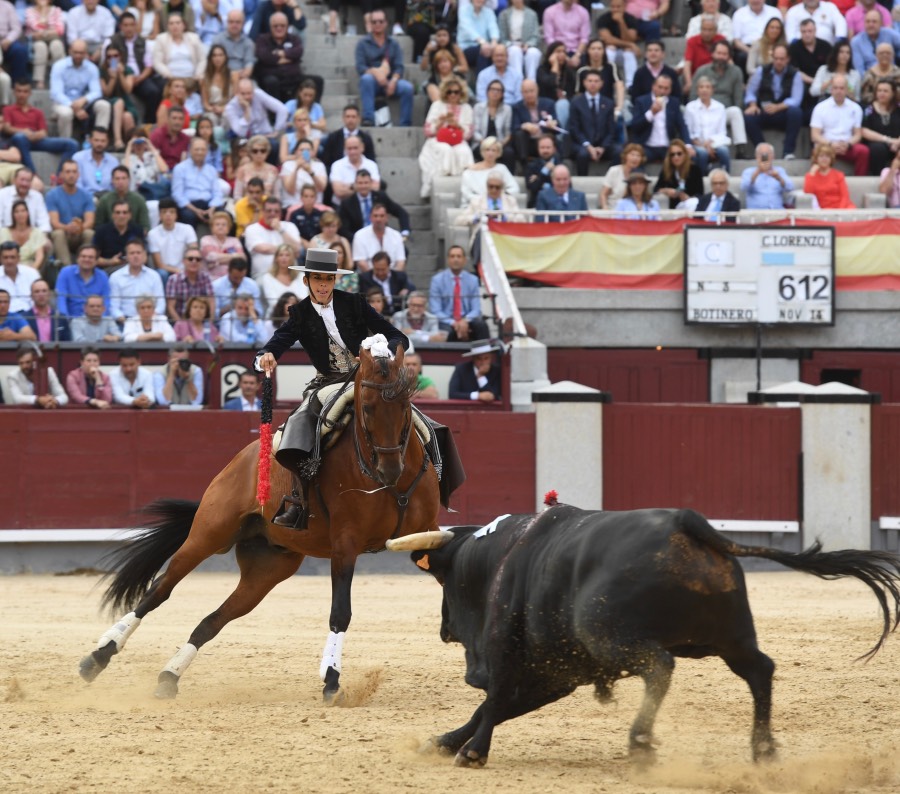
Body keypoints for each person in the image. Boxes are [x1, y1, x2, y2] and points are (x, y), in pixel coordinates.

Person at [255, 247, 409, 528]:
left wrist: (390, 351)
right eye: (317, 279)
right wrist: (267, 354)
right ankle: (299, 501)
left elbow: (396, 334)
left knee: (419, 423)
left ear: (335, 281)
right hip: (327, 383)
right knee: (299, 430)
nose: (323, 285)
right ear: (306, 281)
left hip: (367, 378)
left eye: (328, 279)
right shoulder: (300, 313)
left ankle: (437, 475)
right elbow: (280, 339)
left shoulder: (355, 304)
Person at [2, 80, 79, 174]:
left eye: (25, 91)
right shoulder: (8, 110)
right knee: (20, 137)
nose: (22, 94)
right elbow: (6, 128)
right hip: (17, 142)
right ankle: (32, 174)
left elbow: (43, 132)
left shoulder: (37, 112)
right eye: (19, 91)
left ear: (30, 93)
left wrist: (34, 135)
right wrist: (24, 132)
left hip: (36, 140)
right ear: (14, 92)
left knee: (72, 144)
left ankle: (60, 177)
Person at [743, 45, 804, 160]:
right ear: (772, 58)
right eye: (776, 58)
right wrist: (753, 105)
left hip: (783, 112)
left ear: (787, 59)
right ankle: (763, 151)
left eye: (781, 59)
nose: (778, 62)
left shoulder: (795, 74)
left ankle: (788, 152)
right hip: (764, 110)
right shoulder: (761, 70)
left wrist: (779, 107)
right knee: (748, 117)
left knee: (796, 113)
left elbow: (796, 99)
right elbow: (750, 91)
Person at [355, 9, 414, 127]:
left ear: (386, 23)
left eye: (380, 21)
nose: (378, 24)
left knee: (408, 88)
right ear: (370, 24)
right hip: (372, 81)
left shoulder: (393, 43)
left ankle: (405, 123)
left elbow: (399, 67)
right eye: (374, 22)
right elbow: (361, 67)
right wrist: (376, 74)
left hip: (390, 81)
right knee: (366, 79)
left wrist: (393, 81)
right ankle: (368, 118)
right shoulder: (362, 43)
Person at [690, 42, 749, 158]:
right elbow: (692, 96)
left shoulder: (736, 71)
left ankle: (740, 149)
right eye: (718, 53)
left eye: (724, 54)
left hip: (723, 113)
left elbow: (738, 99)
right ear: (712, 54)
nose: (721, 57)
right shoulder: (702, 71)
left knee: (736, 111)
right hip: (702, 111)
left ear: (729, 56)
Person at [419, 77, 475, 199]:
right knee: (445, 150)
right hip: (438, 139)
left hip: (458, 140)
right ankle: (439, 186)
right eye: (450, 92)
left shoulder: (467, 108)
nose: (453, 95)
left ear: (461, 93)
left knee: (463, 151)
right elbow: (428, 131)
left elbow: (468, 134)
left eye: (456, 92)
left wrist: (457, 125)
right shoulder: (437, 105)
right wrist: (441, 122)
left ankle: (464, 189)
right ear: (445, 92)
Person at [50, 40, 112, 139]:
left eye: (81, 53)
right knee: (66, 113)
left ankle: (99, 139)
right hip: (63, 103)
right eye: (75, 52)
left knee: (104, 105)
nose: (78, 56)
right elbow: (56, 93)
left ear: (86, 53)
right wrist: (74, 107)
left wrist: (84, 100)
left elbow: (97, 92)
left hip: (83, 103)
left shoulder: (92, 68)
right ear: (70, 51)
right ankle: (66, 143)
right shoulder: (59, 66)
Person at [428, 245, 490, 342]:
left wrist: (464, 321)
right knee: (447, 333)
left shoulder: (473, 280)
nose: (455, 259)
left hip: (467, 319)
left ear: (464, 260)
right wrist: (454, 323)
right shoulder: (437, 280)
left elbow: (476, 309)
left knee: (481, 325)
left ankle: (484, 355)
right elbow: (436, 310)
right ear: (448, 260)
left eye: (459, 256)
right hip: (446, 320)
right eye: (452, 256)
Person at [108, 11, 164, 118]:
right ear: (120, 26)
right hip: (120, 76)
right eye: (125, 25)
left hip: (139, 78)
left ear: (136, 26)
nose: (129, 28)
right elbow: (111, 60)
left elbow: (148, 66)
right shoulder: (113, 41)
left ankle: (149, 121)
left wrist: (139, 78)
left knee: (153, 91)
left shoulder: (143, 42)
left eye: (132, 25)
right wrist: (119, 74)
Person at [810, 75, 869, 176]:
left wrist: (848, 144)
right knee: (818, 150)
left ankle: (859, 179)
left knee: (863, 151)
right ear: (831, 89)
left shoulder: (855, 108)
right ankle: (818, 181)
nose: (838, 91)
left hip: (847, 145)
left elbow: (858, 134)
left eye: (842, 88)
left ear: (847, 90)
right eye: (835, 88)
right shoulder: (820, 107)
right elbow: (815, 135)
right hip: (827, 144)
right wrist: (831, 144)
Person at [630, 74, 693, 163]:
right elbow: (635, 126)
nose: (662, 91)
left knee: (688, 158)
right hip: (647, 146)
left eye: (666, 88)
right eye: (660, 87)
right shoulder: (641, 101)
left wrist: (688, 145)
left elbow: (682, 125)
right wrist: (651, 113)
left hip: (668, 147)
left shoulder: (673, 102)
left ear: (670, 90)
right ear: (653, 86)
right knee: (636, 160)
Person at [567, 70, 618, 177]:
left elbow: (611, 130)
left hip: (603, 144)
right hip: (583, 144)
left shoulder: (608, 103)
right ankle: (582, 180)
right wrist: (588, 146)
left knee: (619, 151)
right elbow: (574, 128)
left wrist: (603, 147)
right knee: (583, 154)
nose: (593, 84)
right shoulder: (576, 102)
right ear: (584, 82)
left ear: (601, 83)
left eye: (596, 81)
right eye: (590, 81)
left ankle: (610, 179)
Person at [46, 160, 95, 267]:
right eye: (68, 172)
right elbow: (54, 223)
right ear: (61, 175)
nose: (71, 175)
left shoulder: (86, 195)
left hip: (79, 233)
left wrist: (79, 228)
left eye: (74, 172)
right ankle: (66, 268)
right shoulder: (52, 195)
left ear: (78, 174)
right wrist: (68, 228)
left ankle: (86, 266)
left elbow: (90, 221)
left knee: (89, 233)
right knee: (58, 233)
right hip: (63, 234)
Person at [337, 170, 410, 242]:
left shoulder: (381, 197)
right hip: (358, 240)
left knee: (404, 251)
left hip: (382, 238)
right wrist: (358, 239)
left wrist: (404, 232)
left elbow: (401, 212)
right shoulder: (347, 203)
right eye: (360, 183)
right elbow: (343, 229)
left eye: (366, 183)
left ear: (371, 183)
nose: (363, 186)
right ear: (355, 184)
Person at [253, 12, 307, 103]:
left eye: (282, 25)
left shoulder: (294, 39)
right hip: (270, 77)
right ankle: (274, 115)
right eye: (275, 26)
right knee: (272, 82)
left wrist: (278, 53)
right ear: (270, 26)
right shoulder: (262, 39)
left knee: (317, 81)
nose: (279, 28)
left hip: (293, 77)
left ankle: (308, 113)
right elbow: (264, 56)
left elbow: (298, 52)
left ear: (287, 26)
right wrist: (289, 58)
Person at [172, 137, 225, 226]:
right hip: (189, 205)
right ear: (190, 150)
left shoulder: (211, 170)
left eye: (203, 150)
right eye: (196, 149)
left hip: (209, 204)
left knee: (225, 216)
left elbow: (217, 193)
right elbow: (177, 194)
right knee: (188, 216)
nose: (200, 152)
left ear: (207, 152)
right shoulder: (180, 168)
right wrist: (195, 210)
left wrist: (211, 209)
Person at [109, 238, 165, 322]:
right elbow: (113, 306)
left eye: (138, 253)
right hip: (125, 321)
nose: (135, 256)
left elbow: (161, 304)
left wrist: (150, 318)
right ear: (126, 256)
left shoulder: (154, 276)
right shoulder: (115, 277)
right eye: (132, 253)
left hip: (151, 321)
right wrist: (125, 321)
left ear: (144, 255)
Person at [244, 197, 302, 279]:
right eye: (269, 211)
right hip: (263, 275)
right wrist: (289, 250)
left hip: (290, 275)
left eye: (276, 211)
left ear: (281, 213)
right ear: (263, 212)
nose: (272, 214)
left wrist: (280, 230)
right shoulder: (252, 229)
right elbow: (264, 249)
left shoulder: (290, 226)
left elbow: (297, 248)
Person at [685, 77, 731, 175]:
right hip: (697, 143)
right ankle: (702, 177)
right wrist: (701, 145)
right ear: (697, 90)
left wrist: (710, 142)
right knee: (702, 153)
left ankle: (726, 176)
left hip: (714, 142)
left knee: (724, 151)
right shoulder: (690, 107)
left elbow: (722, 132)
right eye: (701, 87)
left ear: (712, 90)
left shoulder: (720, 107)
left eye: (707, 87)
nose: (704, 90)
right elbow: (688, 131)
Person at [147, 197, 198, 281]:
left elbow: (194, 254)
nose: (168, 215)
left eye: (171, 212)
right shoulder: (153, 234)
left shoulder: (187, 229)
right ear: (160, 215)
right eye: (164, 212)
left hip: (186, 268)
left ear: (176, 214)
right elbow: (158, 264)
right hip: (165, 270)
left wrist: (185, 270)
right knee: (161, 273)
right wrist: (178, 271)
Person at [223, 79, 288, 144]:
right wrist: (247, 110)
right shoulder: (231, 107)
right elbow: (240, 132)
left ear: (253, 91)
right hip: (245, 139)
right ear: (237, 93)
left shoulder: (259, 94)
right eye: (243, 94)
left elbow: (282, 109)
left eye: (249, 93)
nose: (246, 97)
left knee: (275, 145)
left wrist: (277, 131)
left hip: (265, 135)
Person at [596, 0, 642, 91]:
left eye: (618, 6)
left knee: (628, 51)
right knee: (610, 48)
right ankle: (607, 81)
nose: (615, 9)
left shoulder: (631, 19)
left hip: (624, 55)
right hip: (608, 55)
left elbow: (630, 38)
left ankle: (630, 85)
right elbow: (608, 40)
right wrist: (630, 44)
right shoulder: (603, 19)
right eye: (613, 6)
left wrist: (621, 22)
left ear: (624, 6)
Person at [460, 137, 519, 207]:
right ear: (482, 151)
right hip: (475, 205)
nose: (490, 153)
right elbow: (466, 193)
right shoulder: (469, 172)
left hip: (498, 204)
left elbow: (514, 188)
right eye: (487, 150)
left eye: (493, 150)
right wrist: (484, 200)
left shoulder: (502, 168)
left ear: (498, 153)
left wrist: (500, 196)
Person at [55, 244, 110, 318]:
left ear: (96, 261)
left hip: (97, 321)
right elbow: (61, 299)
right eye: (83, 256)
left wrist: (101, 320)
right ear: (77, 259)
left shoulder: (103, 276)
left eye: (90, 257)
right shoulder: (65, 273)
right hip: (71, 319)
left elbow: (106, 302)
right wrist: (65, 320)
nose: (86, 259)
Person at [0, 198, 49, 277]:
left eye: (23, 211)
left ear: (28, 213)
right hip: (6, 270)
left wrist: (30, 272)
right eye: (17, 211)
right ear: (12, 215)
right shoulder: (3, 232)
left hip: (30, 270)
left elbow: (39, 256)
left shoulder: (37, 232)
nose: (20, 214)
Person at [318, 105, 377, 171]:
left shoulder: (366, 138)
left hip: (361, 175)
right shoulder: (333, 137)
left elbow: (371, 160)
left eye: (353, 117)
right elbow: (326, 161)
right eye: (348, 116)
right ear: (343, 118)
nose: (350, 119)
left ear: (359, 119)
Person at [351, 204, 407, 273]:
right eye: (375, 216)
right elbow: (361, 262)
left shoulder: (396, 235)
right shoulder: (359, 235)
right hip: (366, 277)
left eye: (382, 216)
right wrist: (374, 279)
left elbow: (401, 261)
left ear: (387, 217)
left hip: (392, 278)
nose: (378, 219)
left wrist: (394, 279)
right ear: (370, 217)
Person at [165, 243, 214, 321]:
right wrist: (182, 326)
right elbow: (171, 307)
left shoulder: (206, 278)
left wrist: (209, 323)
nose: (194, 261)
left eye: (198, 259)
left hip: (201, 323)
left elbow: (211, 302)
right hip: (180, 321)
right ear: (183, 261)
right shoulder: (173, 280)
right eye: (190, 259)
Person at [731, 0, 781, 74]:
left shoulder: (774, 12)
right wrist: (751, 52)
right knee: (741, 57)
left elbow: (780, 33)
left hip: (771, 46)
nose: (756, 1)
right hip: (747, 48)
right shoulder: (739, 13)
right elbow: (736, 41)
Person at [741, 142, 796, 209]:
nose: (765, 157)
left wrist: (779, 178)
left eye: (767, 154)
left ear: (773, 157)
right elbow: (744, 187)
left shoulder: (780, 171)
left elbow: (790, 188)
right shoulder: (748, 172)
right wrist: (757, 172)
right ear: (756, 156)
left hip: (777, 212)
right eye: (761, 154)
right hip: (756, 214)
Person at [862, 79, 900, 177]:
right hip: (878, 143)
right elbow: (865, 131)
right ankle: (878, 177)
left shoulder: (898, 108)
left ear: (893, 93)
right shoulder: (869, 109)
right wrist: (889, 140)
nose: (881, 93)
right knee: (878, 149)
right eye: (879, 90)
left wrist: (898, 142)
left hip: (897, 143)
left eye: (885, 91)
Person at [256, 243, 307, 315]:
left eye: (287, 255)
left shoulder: (301, 276)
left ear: (292, 258)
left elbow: (303, 298)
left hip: (299, 316)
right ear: (276, 258)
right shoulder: (267, 278)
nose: (284, 258)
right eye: (281, 255)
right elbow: (273, 302)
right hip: (276, 318)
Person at [94, 200, 145, 272]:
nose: (121, 216)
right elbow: (94, 258)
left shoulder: (138, 230)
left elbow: (145, 255)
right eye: (118, 212)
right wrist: (110, 261)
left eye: (125, 212)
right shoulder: (101, 231)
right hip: (109, 269)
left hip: (134, 267)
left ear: (130, 215)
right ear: (112, 215)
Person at [25, 0, 65, 90]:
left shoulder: (56, 10)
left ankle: (60, 78)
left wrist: (43, 33)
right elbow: (36, 27)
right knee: (40, 47)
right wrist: (43, 12)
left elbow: (60, 30)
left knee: (57, 45)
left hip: (54, 39)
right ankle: (40, 81)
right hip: (35, 42)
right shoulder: (29, 11)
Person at [683, 16, 727, 97]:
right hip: (697, 77)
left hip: (718, 77)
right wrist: (689, 82)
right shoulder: (692, 41)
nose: (707, 33)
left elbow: (728, 60)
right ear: (700, 29)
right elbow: (687, 63)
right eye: (704, 29)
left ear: (716, 31)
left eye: (710, 30)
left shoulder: (721, 39)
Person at [152, 13, 205, 81]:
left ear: (183, 25)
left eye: (178, 23)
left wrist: (197, 75)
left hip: (191, 78)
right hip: (169, 78)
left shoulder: (194, 38)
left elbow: (202, 60)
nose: (175, 26)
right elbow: (157, 62)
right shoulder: (161, 39)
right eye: (171, 23)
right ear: (167, 26)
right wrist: (169, 76)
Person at [536, 42, 577, 130]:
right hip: (546, 106)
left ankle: (561, 135)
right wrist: (555, 66)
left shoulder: (568, 72)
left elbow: (572, 93)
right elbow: (550, 83)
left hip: (565, 106)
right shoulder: (542, 70)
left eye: (563, 52)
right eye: (558, 51)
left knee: (563, 104)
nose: (562, 54)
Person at [329, 136, 382, 203]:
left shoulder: (371, 165)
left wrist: (350, 186)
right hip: (341, 207)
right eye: (349, 148)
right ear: (345, 149)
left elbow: (375, 188)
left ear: (362, 147)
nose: (352, 152)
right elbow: (339, 192)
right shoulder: (337, 165)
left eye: (355, 148)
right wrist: (365, 186)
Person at [280, 133, 327, 208]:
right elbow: (290, 190)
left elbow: (321, 188)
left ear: (312, 152)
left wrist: (310, 171)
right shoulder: (287, 165)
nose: (305, 152)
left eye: (308, 150)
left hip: (315, 206)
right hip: (292, 205)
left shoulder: (319, 165)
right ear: (296, 152)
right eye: (301, 150)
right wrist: (296, 168)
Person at [498, 0, 542, 81]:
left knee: (533, 53)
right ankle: (518, 81)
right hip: (511, 45)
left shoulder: (532, 14)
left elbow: (536, 35)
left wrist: (528, 44)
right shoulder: (504, 15)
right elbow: (502, 37)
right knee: (515, 51)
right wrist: (511, 44)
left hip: (528, 45)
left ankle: (531, 82)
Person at [804, 142, 856, 209]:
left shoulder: (839, 175)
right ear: (816, 159)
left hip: (842, 208)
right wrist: (811, 175)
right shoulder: (810, 175)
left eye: (827, 156)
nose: (824, 159)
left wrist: (840, 211)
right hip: (823, 210)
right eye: (821, 156)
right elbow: (808, 195)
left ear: (831, 159)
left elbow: (845, 196)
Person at [542, 0, 590, 68]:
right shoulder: (549, 12)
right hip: (556, 50)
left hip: (577, 51)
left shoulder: (583, 12)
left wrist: (577, 55)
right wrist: (561, 53)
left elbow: (584, 38)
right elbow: (549, 38)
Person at [812, 41, 862, 106]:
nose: (845, 55)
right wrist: (830, 82)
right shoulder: (823, 70)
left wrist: (848, 90)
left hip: (847, 103)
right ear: (835, 53)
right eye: (841, 52)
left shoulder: (855, 74)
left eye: (848, 53)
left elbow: (857, 99)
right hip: (826, 101)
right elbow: (813, 92)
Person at [599, 142, 645, 210]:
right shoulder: (614, 171)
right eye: (632, 155)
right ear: (625, 156)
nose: (635, 158)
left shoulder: (642, 175)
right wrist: (605, 208)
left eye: (638, 156)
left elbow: (644, 198)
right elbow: (603, 194)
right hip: (613, 210)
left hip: (633, 213)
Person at [458, 0, 499, 74]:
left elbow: (493, 28)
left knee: (499, 51)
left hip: (487, 47)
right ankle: (483, 83)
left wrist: (494, 42)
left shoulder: (489, 12)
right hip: (466, 47)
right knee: (482, 52)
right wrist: (483, 43)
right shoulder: (463, 10)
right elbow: (468, 30)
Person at [233, 135, 279, 200]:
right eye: (255, 151)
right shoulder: (242, 170)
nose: (259, 154)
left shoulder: (273, 170)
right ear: (250, 152)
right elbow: (237, 196)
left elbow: (277, 195)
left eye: (263, 151)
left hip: (267, 207)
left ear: (267, 152)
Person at [200, 211, 242, 279]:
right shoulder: (206, 239)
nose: (220, 227)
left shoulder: (235, 241)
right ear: (212, 227)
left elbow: (241, 259)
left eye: (224, 225)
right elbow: (211, 257)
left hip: (231, 278)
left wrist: (217, 262)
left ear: (229, 228)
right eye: (217, 224)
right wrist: (234, 256)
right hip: (210, 279)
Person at [525, 135, 563, 207]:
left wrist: (554, 172)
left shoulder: (561, 165)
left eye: (548, 147)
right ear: (538, 149)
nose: (545, 150)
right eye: (542, 147)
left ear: (554, 149)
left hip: (558, 204)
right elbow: (532, 187)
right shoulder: (531, 166)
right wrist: (544, 171)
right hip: (536, 204)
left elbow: (567, 187)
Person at [149, 105, 190, 172]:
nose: (177, 122)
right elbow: (151, 159)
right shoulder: (157, 136)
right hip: (160, 172)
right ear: (167, 119)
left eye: (180, 119)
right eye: (174, 118)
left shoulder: (186, 139)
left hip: (179, 172)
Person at [0, 240, 37, 314]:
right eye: (6, 257)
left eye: (12, 257)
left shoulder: (32, 273)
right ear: (0, 258)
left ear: (18, 258)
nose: (9, 261)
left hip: (31, 316)